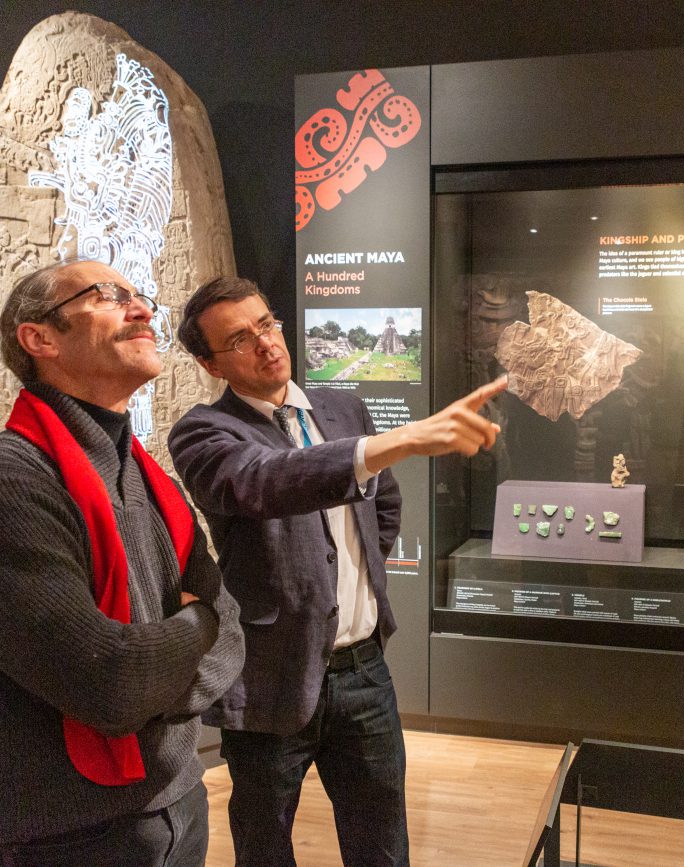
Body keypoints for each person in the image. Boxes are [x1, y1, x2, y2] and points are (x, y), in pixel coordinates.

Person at [168, 276, 505, 866]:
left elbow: (384, 503)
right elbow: (267, 478)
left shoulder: (341, 406)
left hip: (363, 669)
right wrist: (404, 438)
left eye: (267, 324)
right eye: (240, 339)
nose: (267, 343)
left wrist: (362, 573)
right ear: (209, 362)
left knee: (381, 840)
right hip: (273, 674)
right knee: (265, 842)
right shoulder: (203, 432)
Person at [0, 260, 245, 866]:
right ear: (40, 338)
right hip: (69, 832)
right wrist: (196, 624)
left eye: (139, 296)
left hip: (177, 802)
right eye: (108, 296)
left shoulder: (144, 475)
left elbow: (230, 628)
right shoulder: (4, 485)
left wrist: (167, 676)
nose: (143, 310)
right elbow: (111, 684)